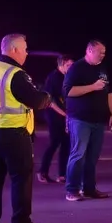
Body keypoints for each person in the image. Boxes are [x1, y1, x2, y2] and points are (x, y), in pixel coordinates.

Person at [0, 34, 52, 223]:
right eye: (25, 48)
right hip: (12, 133)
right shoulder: (15, 74)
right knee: (21, 177)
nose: (27, 53)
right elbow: (35, 100)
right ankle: (21, 222)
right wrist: (46, 96)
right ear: (13, 49)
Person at [62, 39, 112, 202]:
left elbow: (109, 93)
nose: (103, 55)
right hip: (80, 119)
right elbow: (68, 91)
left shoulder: (102, 68)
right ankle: (72, 190)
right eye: (100, 52)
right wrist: (92, 87)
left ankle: (89, 188)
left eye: (104, 52)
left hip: (99, 120)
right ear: (90, 51)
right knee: (78, 154)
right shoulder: (76, 68)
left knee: (93, 156)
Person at [36, 55, 72, 184]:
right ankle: (42, 172)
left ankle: (62, 174)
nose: (71, 68)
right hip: (54, 115)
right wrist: (64, 114)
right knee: (54, 143)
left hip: (65, 116)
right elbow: (50, 101)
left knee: (66, 145)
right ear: (61, 64)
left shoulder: (67, 77)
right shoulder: (54, 77)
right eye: (69, 65)